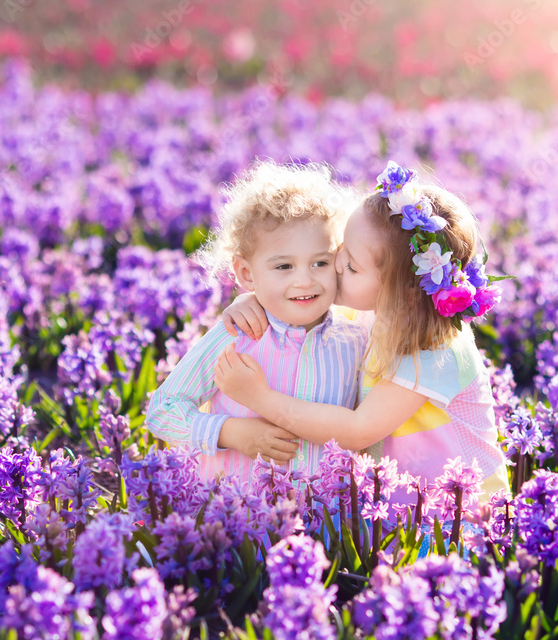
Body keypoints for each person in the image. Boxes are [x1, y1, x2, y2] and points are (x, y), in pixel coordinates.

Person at [214, 161, 511, 553]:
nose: (335, 265)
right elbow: (300, 301)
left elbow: (357, 431)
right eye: (341, 249)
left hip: (458, 524)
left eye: (351, 265)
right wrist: (252, 298)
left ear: (402, 293)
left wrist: (261, 399)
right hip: (395, 508)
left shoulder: (435, 350)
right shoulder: (373, 311)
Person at [144, 160, 369, 484]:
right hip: (237, 517)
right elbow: (163, 409)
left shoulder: (355, 339)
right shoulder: (237, 335)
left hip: (326, 522)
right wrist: (232, 433)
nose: (305, 281)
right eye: (283, 267)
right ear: (247, 274)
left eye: (320, 262)